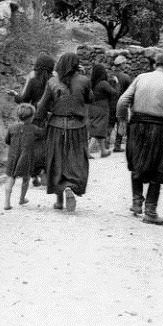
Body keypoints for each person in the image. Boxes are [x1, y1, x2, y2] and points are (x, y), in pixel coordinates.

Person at [116, 52, 163, 225]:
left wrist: (122, 120)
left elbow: (122, 102)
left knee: (137, 161)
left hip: (136, 126)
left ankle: (136, 202)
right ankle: (150, 211)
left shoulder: (140, 78)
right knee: (158, 166)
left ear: (155, 64)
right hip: (158, 129)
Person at [35, 52, 93, 212]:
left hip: (56, 127)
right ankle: (71, 187)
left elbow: (42, 107)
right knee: (75, 160)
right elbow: (90, 99)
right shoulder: (84, 81)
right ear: (76, 65)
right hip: (78, 128)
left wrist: (36, 122)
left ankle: (60, 200)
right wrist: (84, 77)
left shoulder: (52, 82)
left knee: (57, 161)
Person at [6, 54, 56, 186]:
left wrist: (16, 95)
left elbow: (24, 99)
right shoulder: (55, 82)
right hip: (52, 118)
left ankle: (34, 174)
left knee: (33, 147)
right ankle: (46, 172)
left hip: (35, 117)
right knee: (49, 146)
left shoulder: (33, 81)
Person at [3, 103, 43, 210]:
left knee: (10, 178)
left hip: (12, 157)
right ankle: (22, 198)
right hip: (26, 159)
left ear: (18, 116)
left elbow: (7, 141)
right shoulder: (34, 129)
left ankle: (7, 202)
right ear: (31, 117)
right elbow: (43, 134)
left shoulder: (11, 128)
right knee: (26, 179)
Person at [87, 64, 117, 159]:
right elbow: (114, 92)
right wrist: (116, 83)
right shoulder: (103, 83)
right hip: (102, 108)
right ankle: (87, 151)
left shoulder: (92, 83)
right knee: (98, 130)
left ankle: (103, 151)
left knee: (99, 129)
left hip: (93, 108)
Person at [107, 55, 132, 152]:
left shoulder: (109, 76)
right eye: (124, 64)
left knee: (110, 123)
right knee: (122, 124)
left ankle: (106, 144)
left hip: (110, 104)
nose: (125, 65)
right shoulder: (126, 77)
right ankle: (117, 145)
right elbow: (129, 92)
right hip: (121, 104)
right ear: (120, 65)